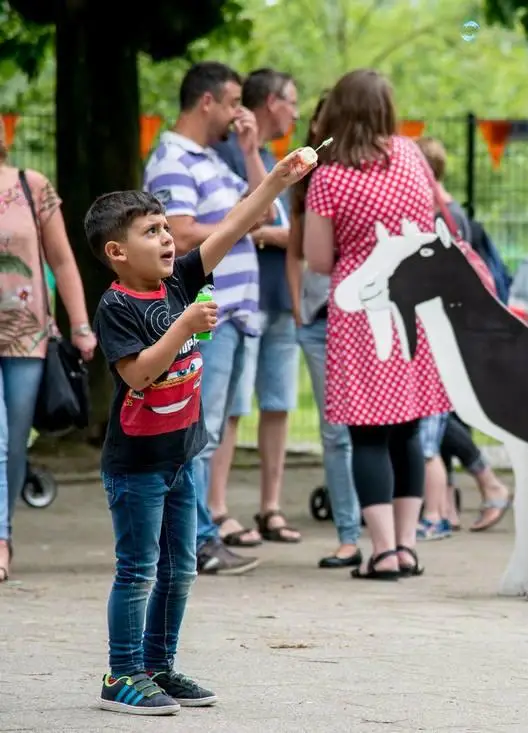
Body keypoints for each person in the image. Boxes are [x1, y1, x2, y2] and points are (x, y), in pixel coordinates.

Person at [88, 147, 313, 714]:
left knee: (180, 569)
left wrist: (280, 180)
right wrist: (185, 324)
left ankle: (159, 667)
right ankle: (122, 674)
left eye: (167, 228)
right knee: (138, 571)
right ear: (117, 252)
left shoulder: (182, 278)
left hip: (181, 457)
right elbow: (139, 374)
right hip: (136, 466)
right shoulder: (117, 306)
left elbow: (237, 222)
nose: (167, 239)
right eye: (151, 232)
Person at [303, 69, 497, 580]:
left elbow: (319, 260)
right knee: (408, 429)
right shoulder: (411, 155)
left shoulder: (328, 175)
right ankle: (408, 547)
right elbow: (443, 217)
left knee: (367, 434)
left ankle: (382, 550)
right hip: (413, 306)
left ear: (337, 112)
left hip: (361, 310)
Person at [143, 61, 265, 574]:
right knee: (194, 431)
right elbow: (177, 232)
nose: (240, 112)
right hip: (206, 315)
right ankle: (193, 541)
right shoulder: (174, 157)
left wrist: (254, 153)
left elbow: (265, 212)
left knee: (208, 430)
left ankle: (197, 536)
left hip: (235, 315)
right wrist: (235, 225)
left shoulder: (215, 161)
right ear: (207, 101)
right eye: (235, 101)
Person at [0, 120, 96, 583]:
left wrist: (80, 326)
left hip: (28, 335)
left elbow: (62, 260)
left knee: (15, 441)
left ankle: (5, 530)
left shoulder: (30, 185)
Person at [211, 68, 302, 545]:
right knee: (232, 405)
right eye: (293, 101)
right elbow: (241, 220)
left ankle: (270, 506)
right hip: (242, 299)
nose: (297, 112)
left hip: (280, 297)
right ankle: (218, 506)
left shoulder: (269, 156)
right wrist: (275, 235)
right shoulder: (229, 153)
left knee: (279, 402)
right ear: (271, 101)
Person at [413, 135, 511, 537]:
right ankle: (449, 505)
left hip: (444, 325)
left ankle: (484, 486)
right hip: (454, 323)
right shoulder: (453, 212)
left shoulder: (442, 214)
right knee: (442, 416)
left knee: (433, 418)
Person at [287, 93, 363, 568]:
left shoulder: (364, 176)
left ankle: (390, 529)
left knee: (373, 428)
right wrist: (298, 309)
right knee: (335, 433)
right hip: (319, 320)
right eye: (318, 118)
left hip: (361, 318)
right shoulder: (304, 179)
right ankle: (349, 533)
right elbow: (297, 250)